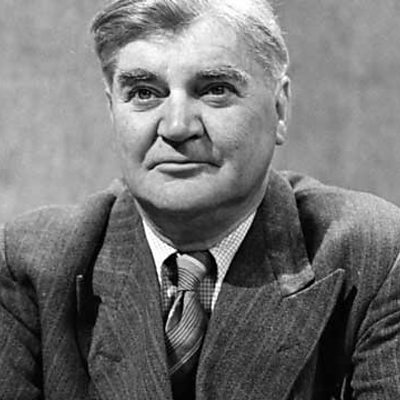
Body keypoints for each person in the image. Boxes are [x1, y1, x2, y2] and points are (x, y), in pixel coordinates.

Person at [1, 0, 400, 399]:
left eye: (214, 90)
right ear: (112, 112)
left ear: (279, 110)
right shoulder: (30, 264)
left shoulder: (375, 257)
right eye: (144, 93)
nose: (177, 127)